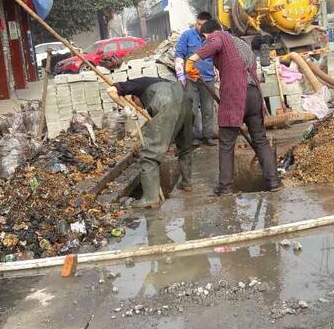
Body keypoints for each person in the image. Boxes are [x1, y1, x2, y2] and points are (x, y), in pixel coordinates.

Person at [183, 20, 281, 195]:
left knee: (227, 143)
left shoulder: (219, 37)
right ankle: (273, 181)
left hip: (236, 95)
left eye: (205, 39)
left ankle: (225, 187)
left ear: (207, 34)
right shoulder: (241, 43)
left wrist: (191, 60)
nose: (207, 42)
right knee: (260, 139)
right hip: (254, 94)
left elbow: (216, 41)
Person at [106, 77, 194, 209]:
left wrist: (127, 108)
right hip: (186, 101)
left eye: (138, 105)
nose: (140, 108)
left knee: (149, 155)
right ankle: (186, 183)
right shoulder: (157, 85)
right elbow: (154, 123)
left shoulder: (134, 85)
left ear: (135, 98)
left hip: (167, 102)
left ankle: (150, 198)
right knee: (185, 146)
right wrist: (138, 131)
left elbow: (111, 90)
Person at [174, 11, 217, 146]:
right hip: (191, 80)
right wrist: (181, 74)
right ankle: (195, 137)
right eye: (198, 24)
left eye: (202, 25)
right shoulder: (187, 35)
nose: (199, 27)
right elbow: (179, 54)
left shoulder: (212, 37)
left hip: (208, 78)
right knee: (192, 109)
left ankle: (208, 136)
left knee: (208, 109)